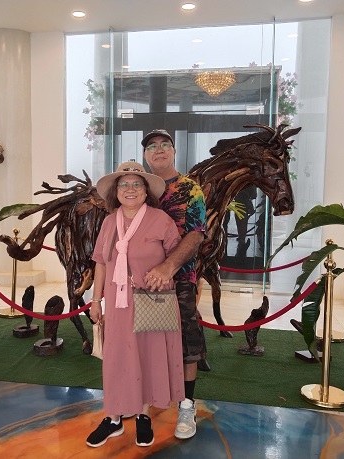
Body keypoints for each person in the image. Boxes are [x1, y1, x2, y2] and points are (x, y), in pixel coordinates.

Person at [86, 161, 184, 448]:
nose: (130, 189)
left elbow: (176, 256)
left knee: (146, 356)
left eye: (136, 184)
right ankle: (113, 418)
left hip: (150, 300)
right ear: (116, 191)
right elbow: (101, 263)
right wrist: (95, 300)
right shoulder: (109, 222)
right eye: (124, 184)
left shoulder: (160, 219)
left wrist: (164, 271)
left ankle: (143, 416)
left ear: (146, 190)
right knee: (116, 358)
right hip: (117, 303)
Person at [142, 129, 207, 440]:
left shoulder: (190, 189)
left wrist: (170, 266)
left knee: (187, 344)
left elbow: (196, 233)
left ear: (174, 151)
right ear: (145, 155)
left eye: (165, 145)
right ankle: (148, 400)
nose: (159, 150)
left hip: (179, 279)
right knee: (149, 341)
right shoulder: (140, 189)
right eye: (152, 146)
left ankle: (186, 404)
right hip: (144, 281)